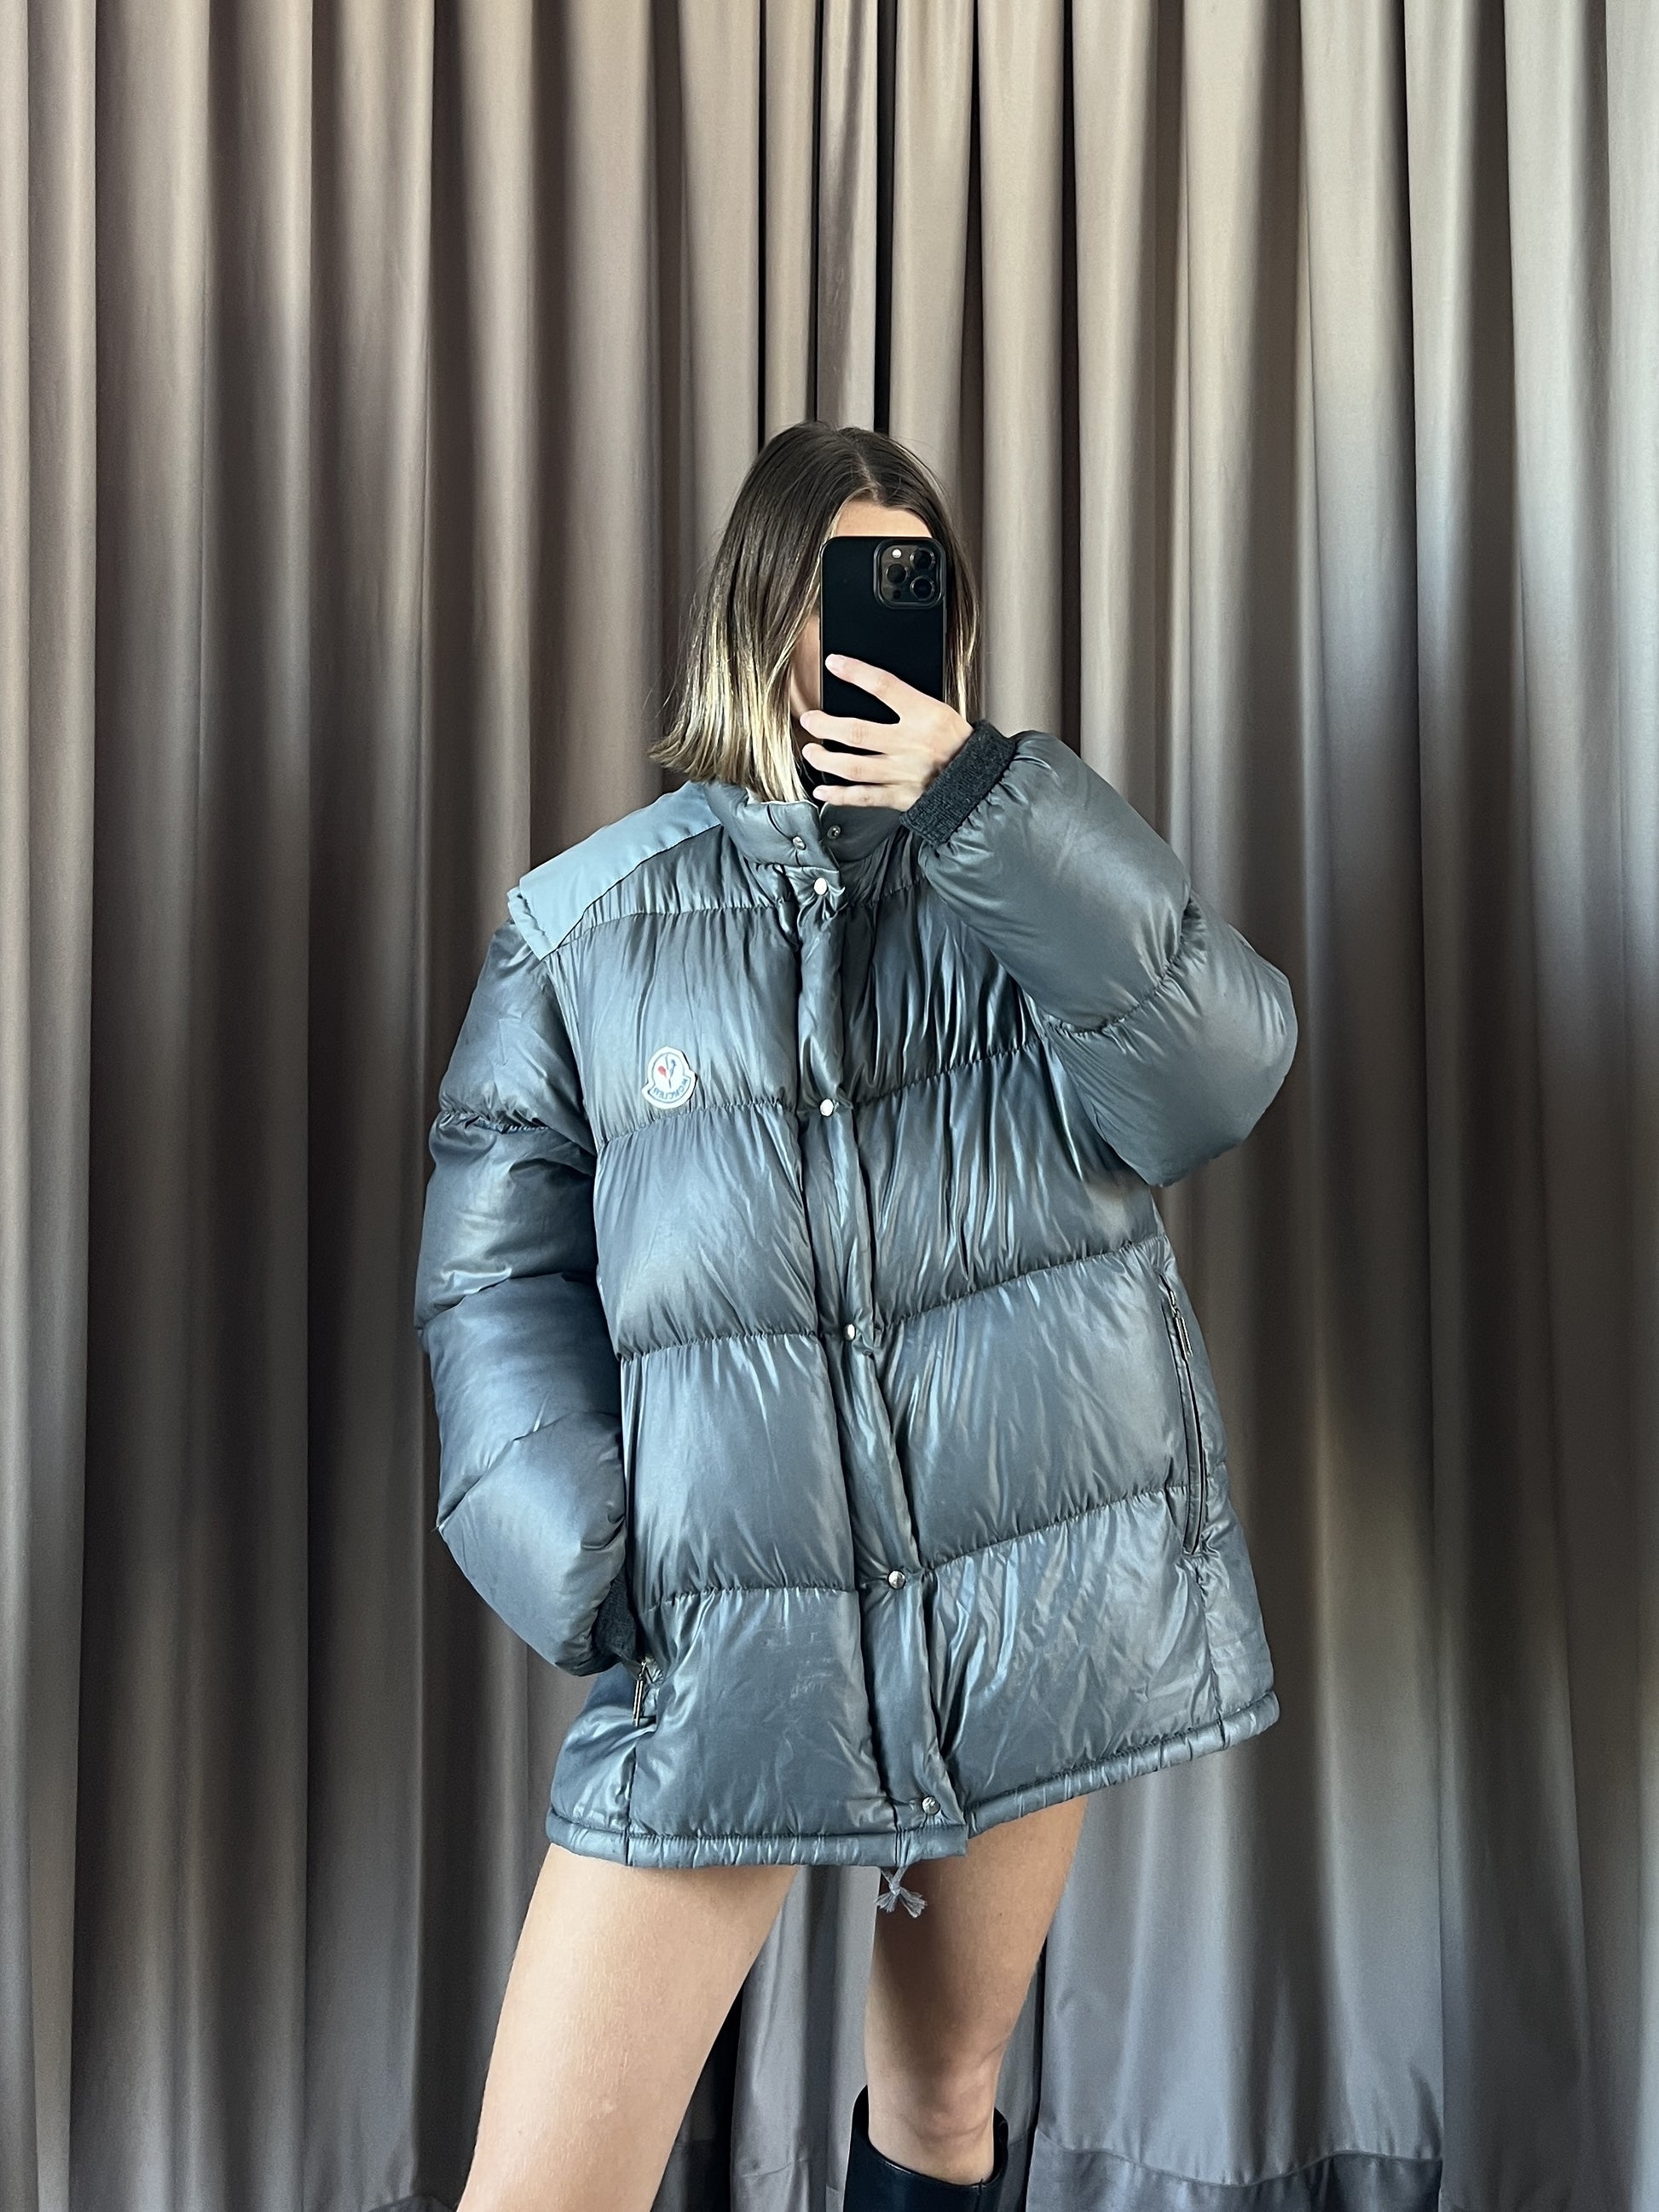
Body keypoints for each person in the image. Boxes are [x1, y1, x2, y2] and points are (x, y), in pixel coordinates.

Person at [413, 421, 1298, 2212]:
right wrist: (593, 1553)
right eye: (839, 591)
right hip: (732, 1631)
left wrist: (989, 806)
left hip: (1024, 1592)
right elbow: (491, 1279)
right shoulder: (585, 929)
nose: (868, 635)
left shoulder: (1027, 877)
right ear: (760, 613)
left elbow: (1217, 1073)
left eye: (910, 590)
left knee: (945, 2099)